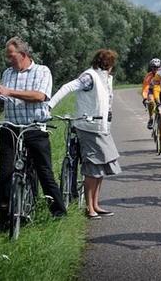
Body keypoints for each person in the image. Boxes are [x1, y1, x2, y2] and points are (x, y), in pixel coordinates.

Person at [0, 36, 66, 231]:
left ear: (24, 54)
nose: (9, 59)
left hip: (34, 127)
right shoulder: (7, 73)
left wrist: (10, 92)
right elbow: (2, 102)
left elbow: (40, 96)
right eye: (8, 56)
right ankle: (3, 221)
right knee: (5, 175)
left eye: (11, 55)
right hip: (10, 128)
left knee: (44, 172)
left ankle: (59, 213)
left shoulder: (41, 71)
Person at [48, 49, 121, 220]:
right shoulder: (90, 77)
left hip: (101, 128)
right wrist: (49, 106)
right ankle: (89, 208)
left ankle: (96, 204)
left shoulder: (106, 79)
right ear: (107, 63)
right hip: (88, 127)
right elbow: (68, 87)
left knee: (102, 166)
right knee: (92, 167)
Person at [142, 58, 161, 129]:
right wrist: (144, 98)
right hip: (151, 92)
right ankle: (151, 118)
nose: (156, 69)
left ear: (160, 67)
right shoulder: (148, 76)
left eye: (157, 67)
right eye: (154, 67)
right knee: (151, 102)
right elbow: (145, 88)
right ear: (151, 67)